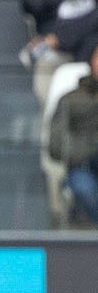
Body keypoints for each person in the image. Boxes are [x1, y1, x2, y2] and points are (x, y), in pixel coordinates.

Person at [46, 60, 98, 224]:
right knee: (85, 190)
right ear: (92, 65)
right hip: (82, 167)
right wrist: (86, 152)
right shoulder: (71, 100)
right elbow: (55, 144)